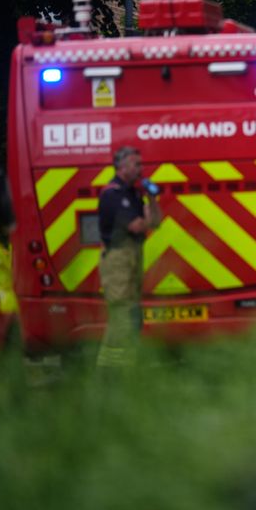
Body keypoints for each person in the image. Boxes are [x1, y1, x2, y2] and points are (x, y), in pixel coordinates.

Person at [96, 146, 161, 368]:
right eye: (137, 164)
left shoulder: (133, 193)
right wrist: (147, 219)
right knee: (121, 314)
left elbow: (155, 222)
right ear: (122, 167)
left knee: (133, 314)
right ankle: (109, 369)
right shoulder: (112, 194)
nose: (141, 169)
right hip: (118, 259)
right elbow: (137, 226)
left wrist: (152, 199)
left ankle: (126, 364)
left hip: (132, 255)